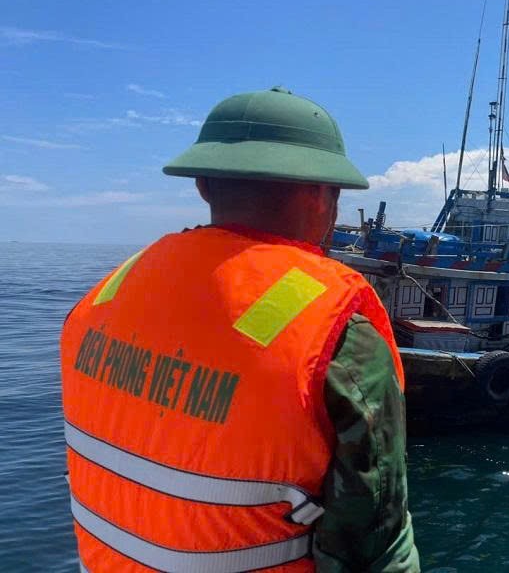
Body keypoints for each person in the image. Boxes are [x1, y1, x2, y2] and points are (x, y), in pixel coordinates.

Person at [59, 87, 419, 572]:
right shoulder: (336, 333)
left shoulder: (106, 294)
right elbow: (376, 540)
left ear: (202, 185)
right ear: (322, 194)